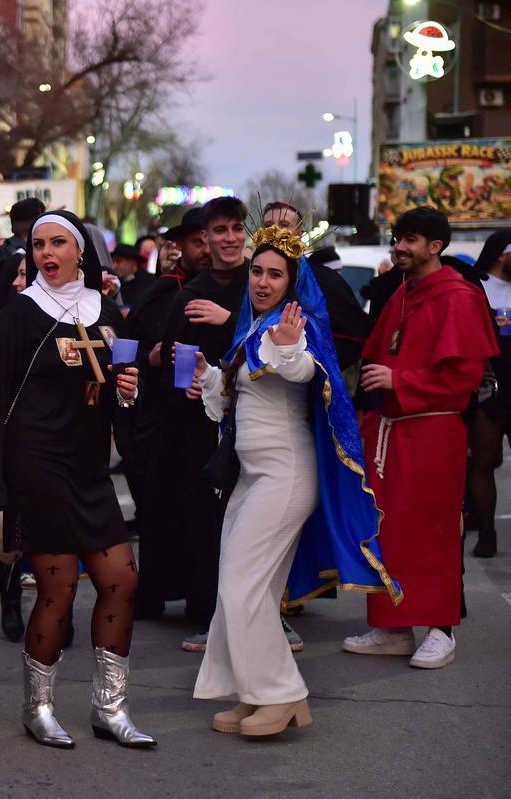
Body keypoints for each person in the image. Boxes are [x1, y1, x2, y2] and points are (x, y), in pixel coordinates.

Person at [188, 226, 402, 737]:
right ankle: (253, 690)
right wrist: (209, 378)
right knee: (243, 589)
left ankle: (281, 695)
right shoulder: (253, 326)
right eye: (257, 272)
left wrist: (288, 348)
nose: (262, 282)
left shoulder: (294, 323)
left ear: (291, 282)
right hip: (254, 477)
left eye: (274, 274)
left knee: (242, 587)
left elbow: (309, 371)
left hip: (284, 477)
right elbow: (237, 404)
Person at [0, 209, 155, 750]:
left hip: (89, 467)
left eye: (58, 243)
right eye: (38, 245)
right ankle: (39, 708)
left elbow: (121, 398)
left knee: (122, 579)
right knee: (59, 588)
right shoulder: (20, 314)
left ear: (80, 251)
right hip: (37, 463)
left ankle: (110, 707)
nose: (47, 253)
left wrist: (128, 390)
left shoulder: (109, 311)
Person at [344, 207, 497, 669]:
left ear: (436, 246)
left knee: (434, 532)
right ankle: (393, 628)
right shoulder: (403, 292)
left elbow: (465, 377)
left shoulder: (459, 296)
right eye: (398, 238)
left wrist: (400, 382)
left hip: (433, 430)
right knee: (389, 530)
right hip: (391, 433)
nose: (399, 247)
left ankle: (441, 629)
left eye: (410, 239)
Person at [145, 196, 256, 652]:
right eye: (219, 231)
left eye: (236, 229)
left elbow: (291, 342)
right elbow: (175, 356)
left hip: (260, 425)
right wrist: (186, 385)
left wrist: (231, 321)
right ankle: (213, 614)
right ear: (204, 239)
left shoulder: (263, 281)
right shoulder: (190, 293)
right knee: (208, 524)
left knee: (256, 523)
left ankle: (267, 616)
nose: (229, 239)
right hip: (201, 432)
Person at [124, 206, 210, 615]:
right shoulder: (160, 290)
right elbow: (124, 350)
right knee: (159, 508)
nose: (206, 248)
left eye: (210, 238)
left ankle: (200, 597)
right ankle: (155, 591)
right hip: (161, 419)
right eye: (198, 241)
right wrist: (149, 362)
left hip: (207, 419)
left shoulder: (235, 287)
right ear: (181, 246)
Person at [262, 202, 371, 382]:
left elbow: (352, 334)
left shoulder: (324, 279)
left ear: (300, 234)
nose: (275, 232)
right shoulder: (250, 277)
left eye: (284, 225)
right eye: (268, 226)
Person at [466, 230, 511, 558]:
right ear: (501, 255)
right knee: (483, 461)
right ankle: (487, 532)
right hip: (489, 387)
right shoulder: (476, 287)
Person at [111, 243, 155, 307]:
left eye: (118, 261)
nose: (114, 266)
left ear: (132, 262)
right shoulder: (115, 283)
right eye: (113, 262)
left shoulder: (151, 281)